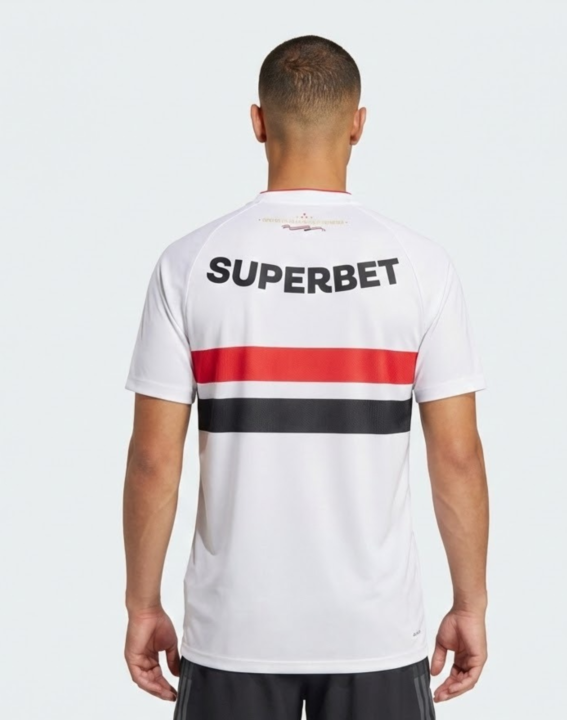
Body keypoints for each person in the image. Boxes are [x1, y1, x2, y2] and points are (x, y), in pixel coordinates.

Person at [122, 34, 489, 720]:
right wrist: (471, 603)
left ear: (258, 121)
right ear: (358, 123)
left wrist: (142, 604)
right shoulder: (421, 266)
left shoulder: (189, 263)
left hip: (233, 634)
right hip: (376, 634)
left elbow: (152, 460)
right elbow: (458, 456)